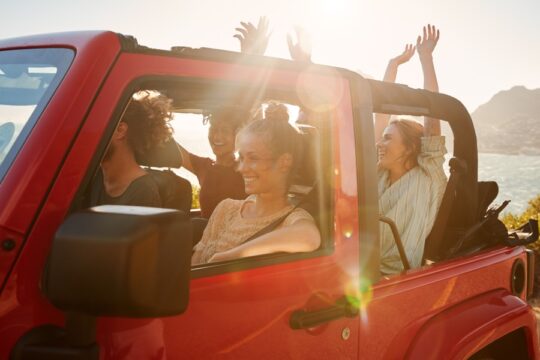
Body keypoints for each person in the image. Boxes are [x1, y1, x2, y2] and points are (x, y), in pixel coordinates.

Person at [192, 103, 321, 265]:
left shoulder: (291, 220)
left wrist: (229, 257)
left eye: (253, 158)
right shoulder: (226, 208)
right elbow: (195, 264)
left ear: (284, 162)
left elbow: (309, 238)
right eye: (242, 158)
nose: (242, 168)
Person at [375, 25, 447, 274]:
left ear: (409, 148)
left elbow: (433, 115)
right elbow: (379, 118)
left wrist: (425, 58)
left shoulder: (428, 176)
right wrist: (391, 67)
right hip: (358, 269)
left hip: (393, 279)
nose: (379, 144)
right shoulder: (378, 174)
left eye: (387, 140)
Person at [91, 91, 173, 207]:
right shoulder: (93, 177)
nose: (88, 133)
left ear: (120, 131)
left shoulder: (144, 192)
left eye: (95, 125)